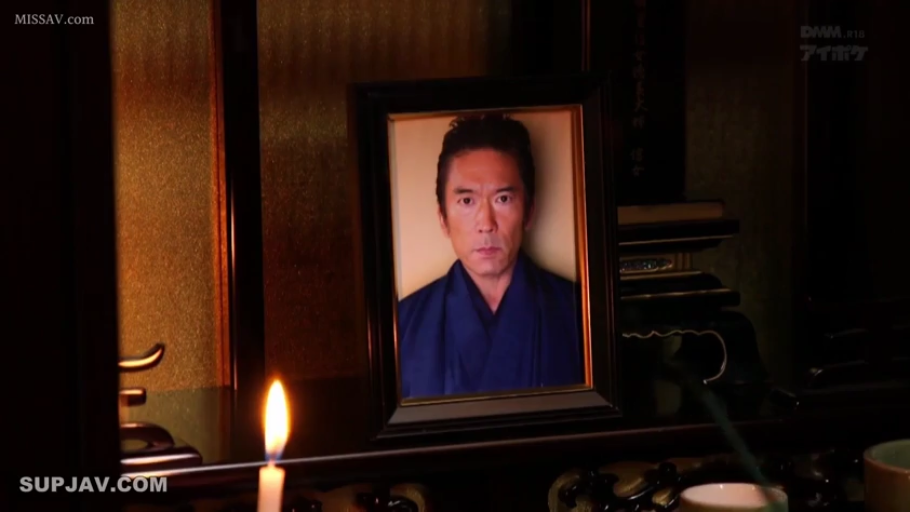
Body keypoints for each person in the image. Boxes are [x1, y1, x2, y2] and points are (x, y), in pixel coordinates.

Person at [397, 113, 583, 399]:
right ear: (443, 218)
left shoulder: (580, 313)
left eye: (503, 199)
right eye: (467, 201)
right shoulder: (402, 325)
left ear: (529, 212)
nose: (486, 223)